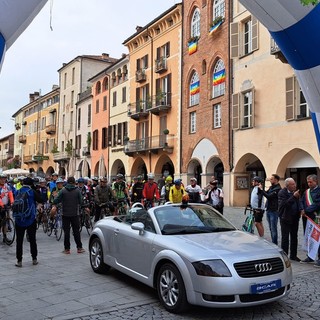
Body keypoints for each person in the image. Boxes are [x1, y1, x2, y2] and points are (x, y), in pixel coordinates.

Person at [14, 177, 44, 267]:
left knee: (19, 241)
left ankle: (19, 261)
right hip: (30, 219)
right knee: (32, 240)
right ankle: (34, 259)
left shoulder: (18, 191)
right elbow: (41, 200)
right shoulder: (32, 192)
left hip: (19, 219)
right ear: (31, 184)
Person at [53, 176, 85, 254]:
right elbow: (81, 202)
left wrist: (54, 200)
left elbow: (56, 200)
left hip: (65, 214)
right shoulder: (77, 191)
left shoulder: (63, 191)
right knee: (76, 231)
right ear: (74, 182)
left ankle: (67, 249)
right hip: (75, 214)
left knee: (66, 232)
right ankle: (79, 248)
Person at [278, 178, 301, 262]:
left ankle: (293, 255)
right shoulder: (282, 193)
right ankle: (285, 256)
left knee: (294, 236)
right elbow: (284, 205)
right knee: (285, 237)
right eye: (292, 184)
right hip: (285, 218)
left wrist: (300, 209)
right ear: (287, 186)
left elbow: (299, 202)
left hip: (295, 217)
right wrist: (293, 197)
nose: (294, 185)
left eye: (294, 184)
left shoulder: (296, 192)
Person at [299, 174, 320, 266]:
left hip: (316, 217)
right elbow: (301, 201)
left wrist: (306, 210)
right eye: (308, 182)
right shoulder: (306, 192)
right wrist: (302, 209)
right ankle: (310, 256)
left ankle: (319, 258)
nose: (309, 184)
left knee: (317, 237)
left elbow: (317, 204)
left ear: (316, 181)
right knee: (308, 236)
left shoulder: (319, 191)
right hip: (307, 218)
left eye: (311, 182)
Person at [259, 174, 281, 245]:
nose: (270, 180)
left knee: (273, 228)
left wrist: (262, 190)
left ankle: (275, 243)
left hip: (274, 210)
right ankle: (273, 242)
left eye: (271, 179)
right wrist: (261, 190)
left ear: (276, 180)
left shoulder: (277, 189)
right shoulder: (271, 187)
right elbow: (265, 193)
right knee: (270, 228)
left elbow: (268, 196)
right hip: (268, 209)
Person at [0, 173, 14, 242]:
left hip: (5, 205)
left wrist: (12, 203)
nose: (3, 180)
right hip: (1, 205)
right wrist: (2, 204)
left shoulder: (7, 186)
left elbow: (10, 195)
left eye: (4, 179)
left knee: (4, 221)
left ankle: (5, 237)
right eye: (1, 179)